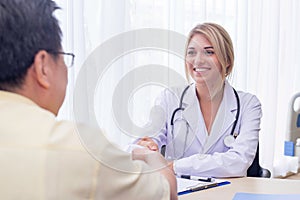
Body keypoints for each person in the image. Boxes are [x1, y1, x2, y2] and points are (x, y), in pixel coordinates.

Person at [0, 0, 177, 199]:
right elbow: (167, 192)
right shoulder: (78, 148)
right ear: (43, 67)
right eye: (63, 56)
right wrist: (149, 156)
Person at [137, 23, 262, 178]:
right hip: (179, 192)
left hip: (227, 193)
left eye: (209, 52)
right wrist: (145, 147)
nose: (198, 60)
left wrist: (173, 165)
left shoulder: (248, 104)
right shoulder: (170, 98)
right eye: (191, 52)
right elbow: (140, 144)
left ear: (227, 60)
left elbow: (239, 162)